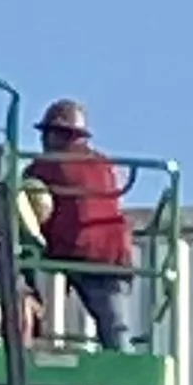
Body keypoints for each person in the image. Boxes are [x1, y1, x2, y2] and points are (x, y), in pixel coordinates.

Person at [24, 101, 135, 351]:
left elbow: (25, 203)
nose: (43, 139)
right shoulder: (102, 164)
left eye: (47, 133)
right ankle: (124, 361)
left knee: (112, 325)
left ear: (61, 135)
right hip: (113, 255)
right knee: (114, 324)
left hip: (84, 253)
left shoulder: (46, 168)